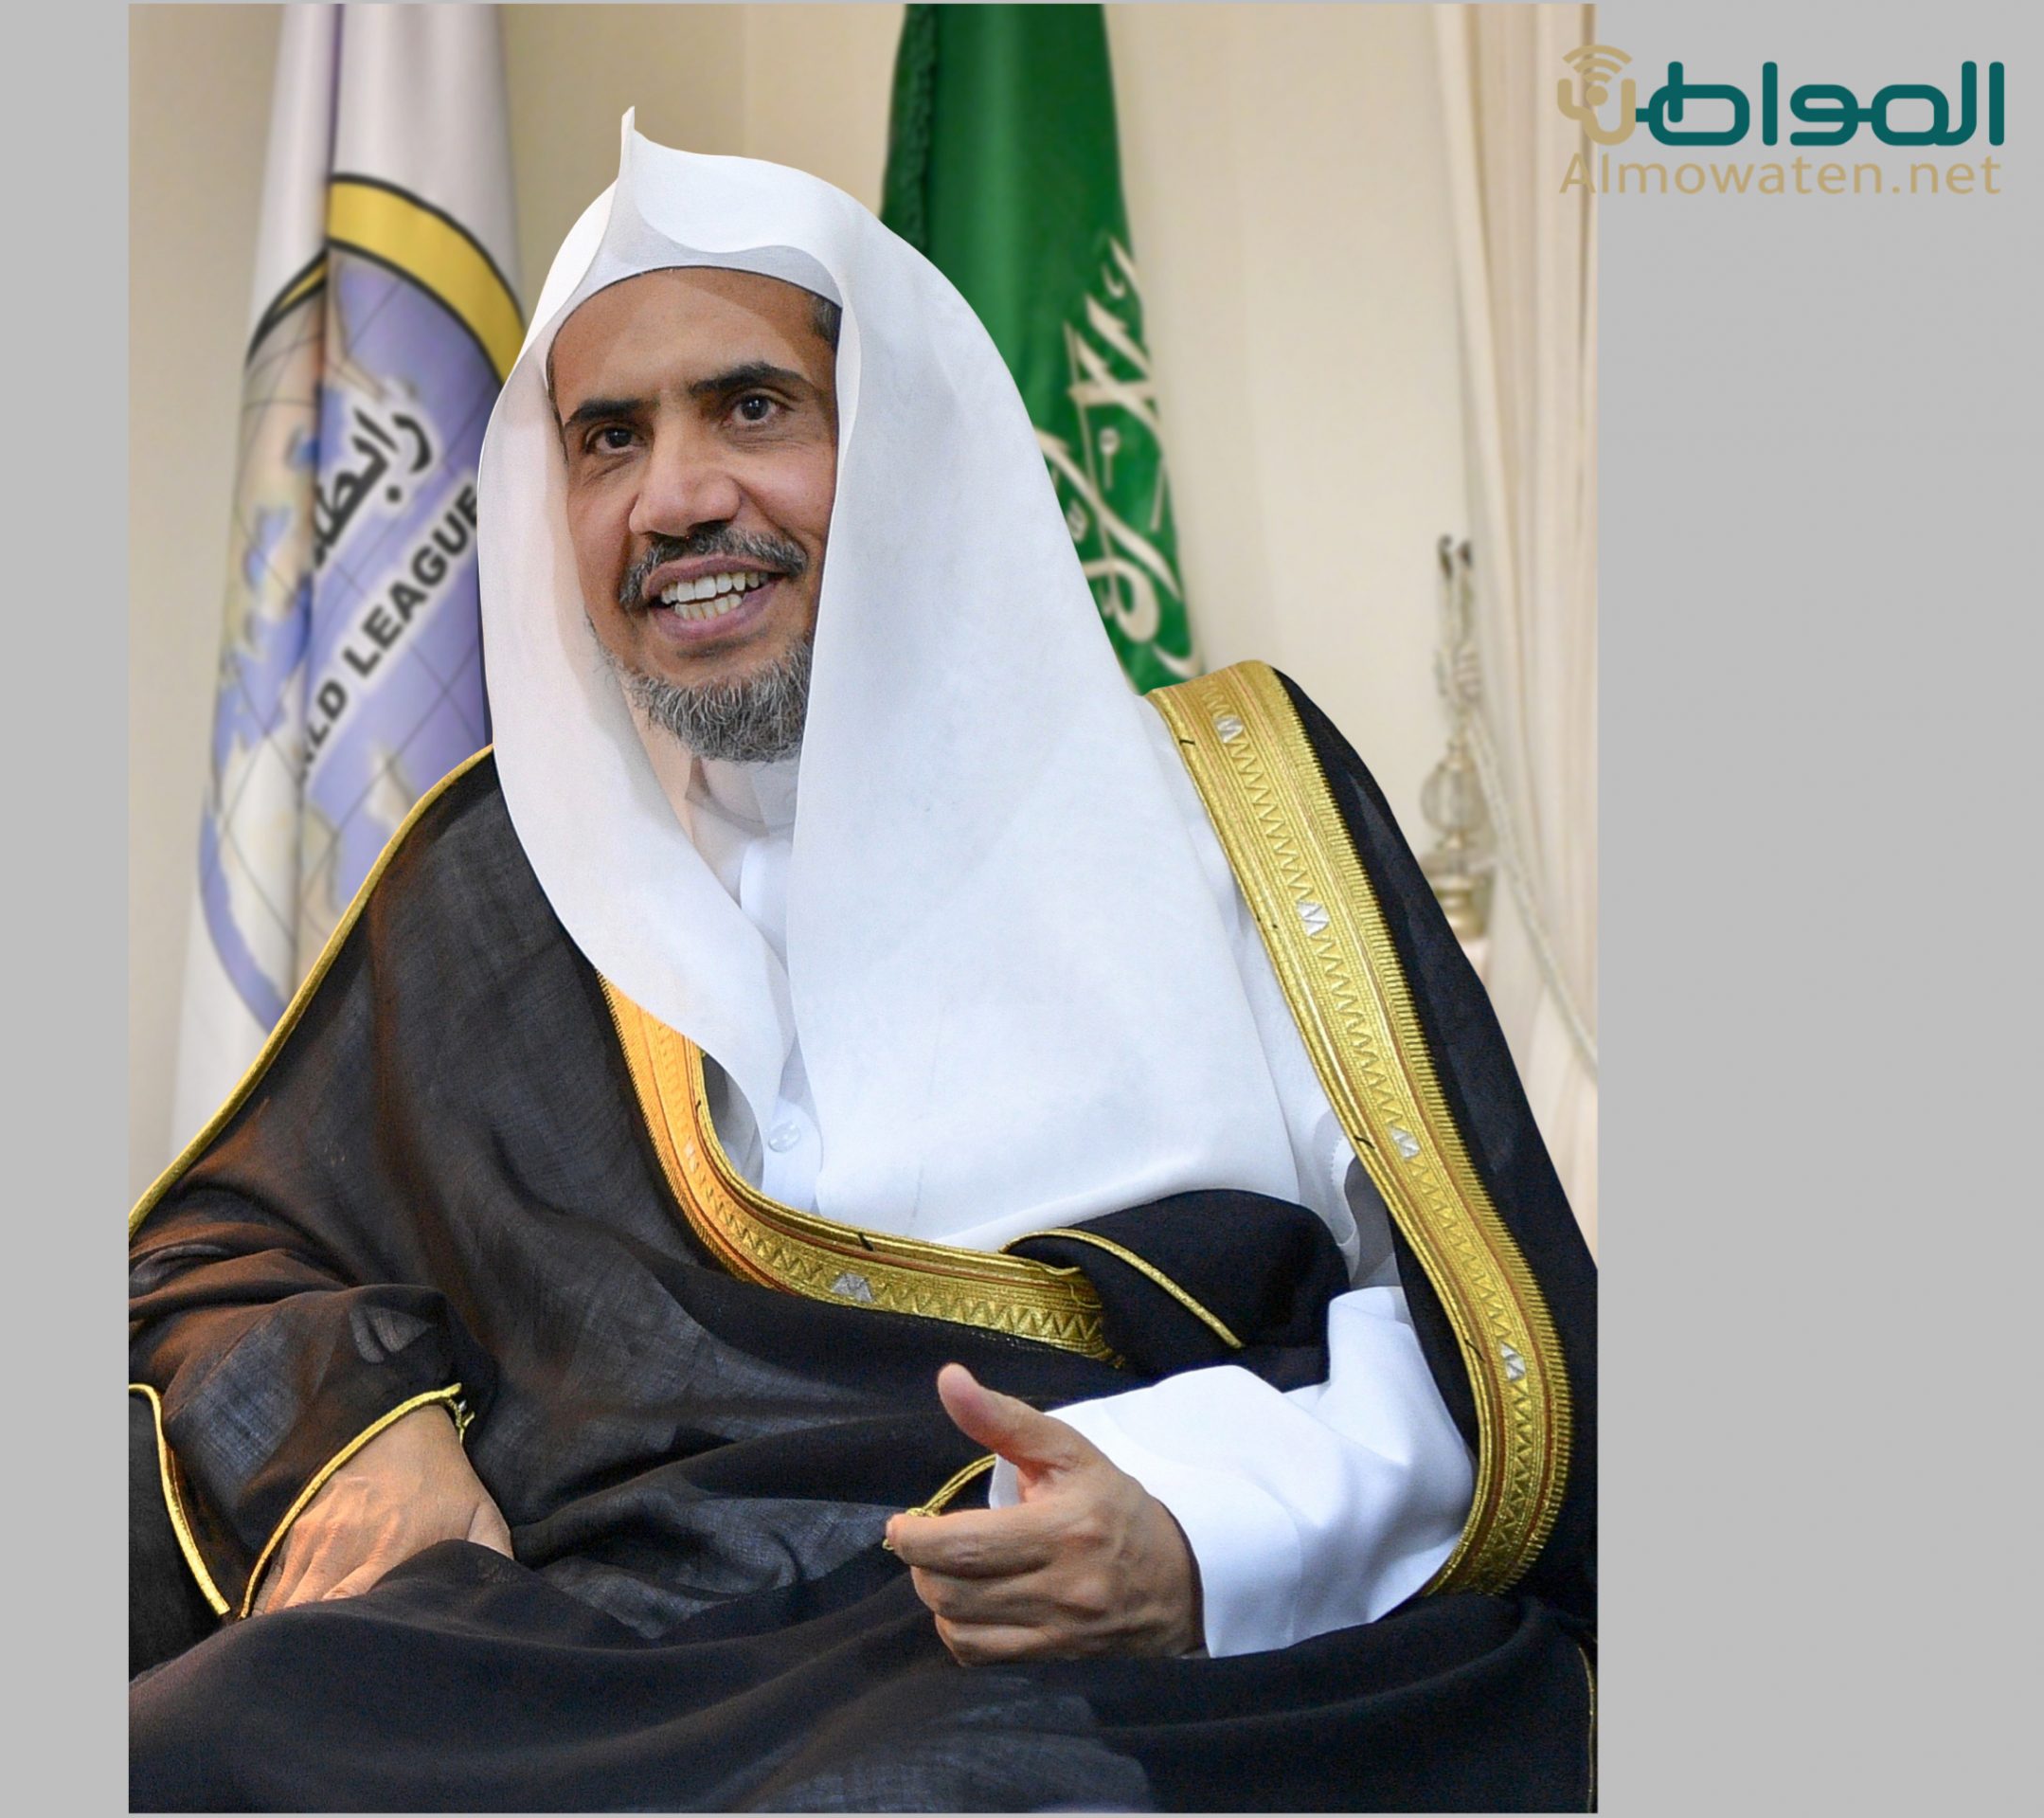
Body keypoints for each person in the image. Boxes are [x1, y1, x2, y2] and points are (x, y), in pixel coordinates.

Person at [129, 125, 1596, 1811]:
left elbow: (1493, 1350)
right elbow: (223, 1249)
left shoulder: (1233, 814)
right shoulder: (501, 880)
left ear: (907, 442)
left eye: (753, 407)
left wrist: (1205, 1525)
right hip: (605, 1637)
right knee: (184, 1747)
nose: (676, 498)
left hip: (1036, 1627)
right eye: (611, 438)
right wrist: (360, 1423)